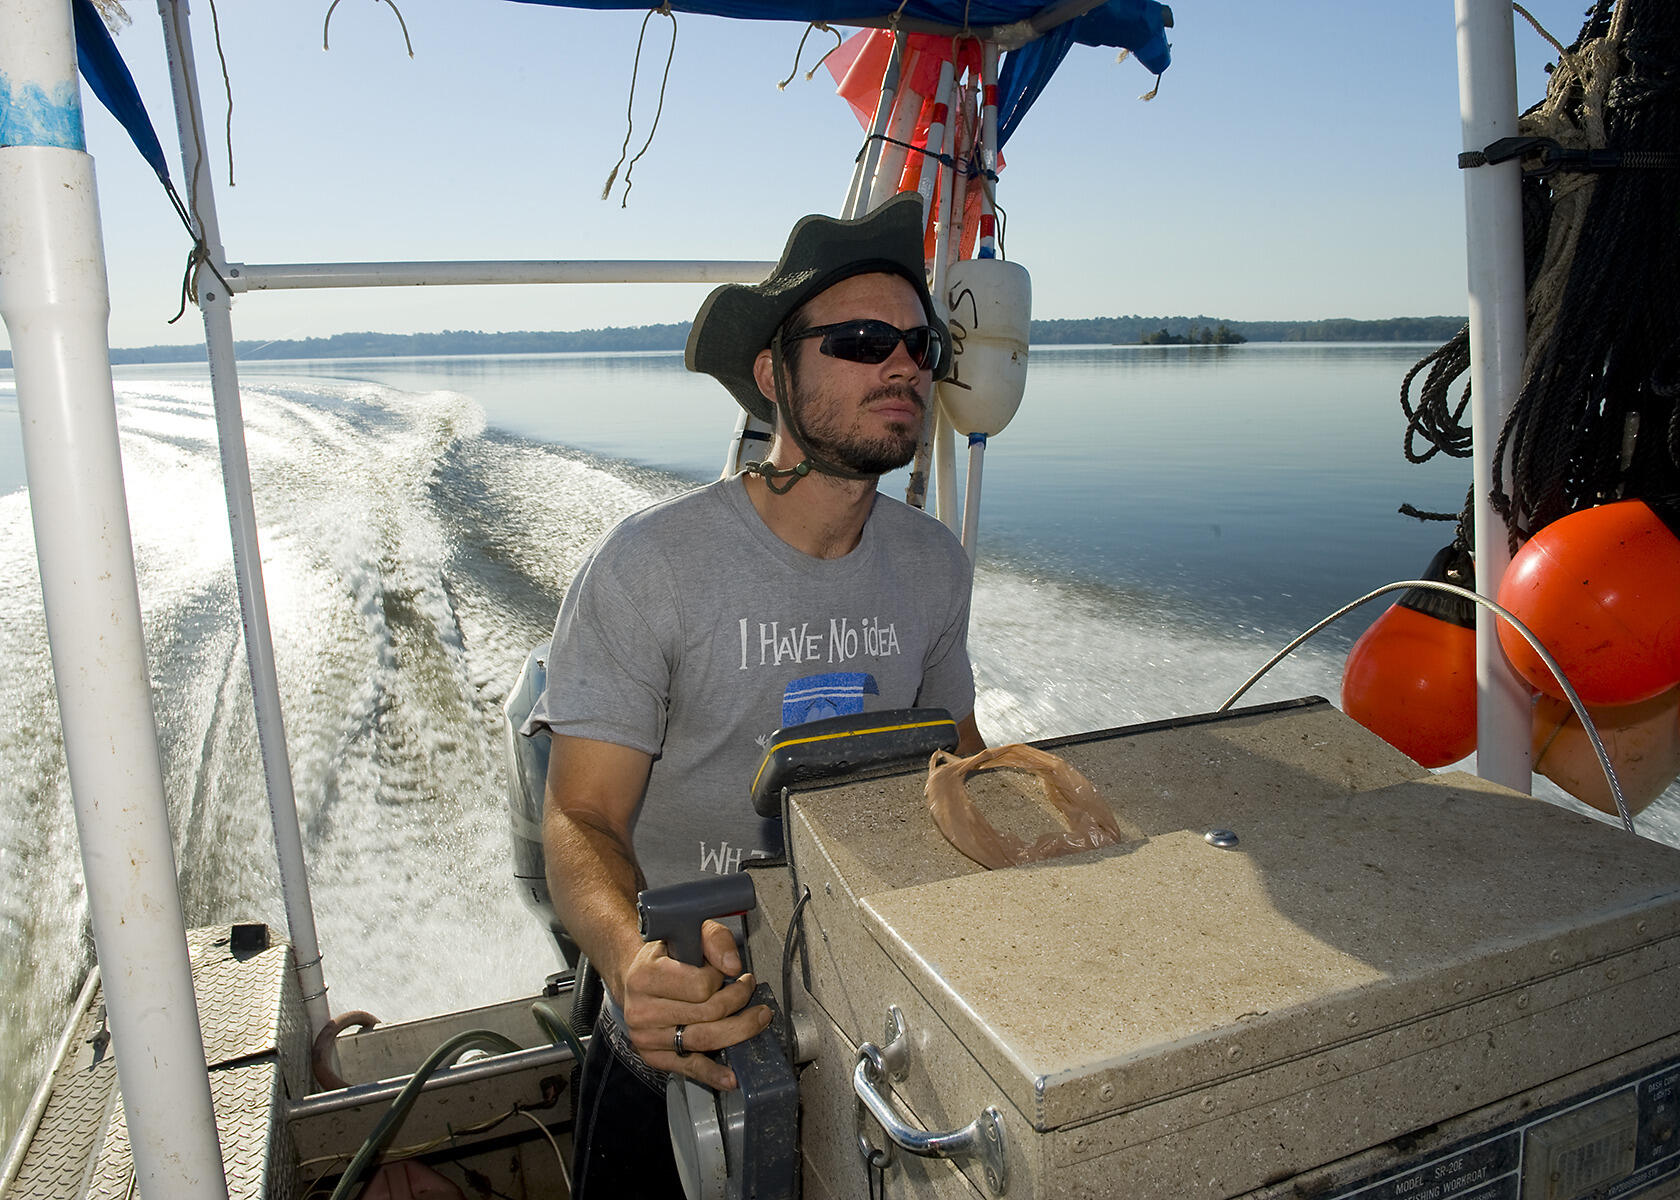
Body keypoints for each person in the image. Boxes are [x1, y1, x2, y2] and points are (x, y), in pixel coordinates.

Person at [524, 192, 985, 1196]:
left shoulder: (935, 565)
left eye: (920, 341)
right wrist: (632, 962)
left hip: (869, 991)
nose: (902, 363)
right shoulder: (651, 567)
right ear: (775, 375)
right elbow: (579, 815)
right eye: (863, 340)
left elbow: (961, 760)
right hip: (686, 1012)